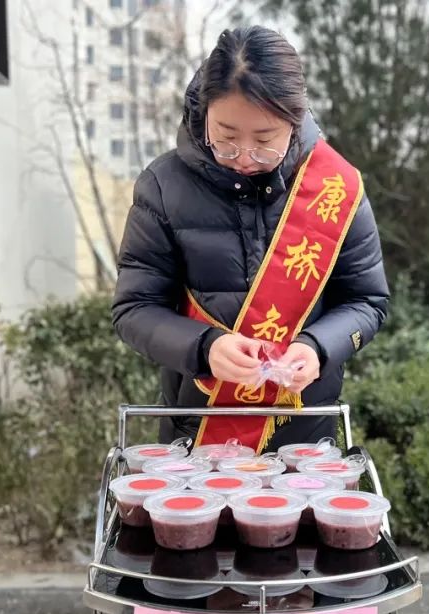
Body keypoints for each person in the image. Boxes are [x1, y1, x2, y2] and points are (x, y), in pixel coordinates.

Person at [112, 26, 389, 452]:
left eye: (264, 142)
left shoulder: (335, 187)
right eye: (226, 138)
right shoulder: (163, 187)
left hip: (305, 437)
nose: (243, 157)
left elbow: (366, 301)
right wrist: (205, 348)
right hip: (197, 435)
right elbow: (134, 309)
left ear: (294, 122)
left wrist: (318, 347)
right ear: (204, 112)